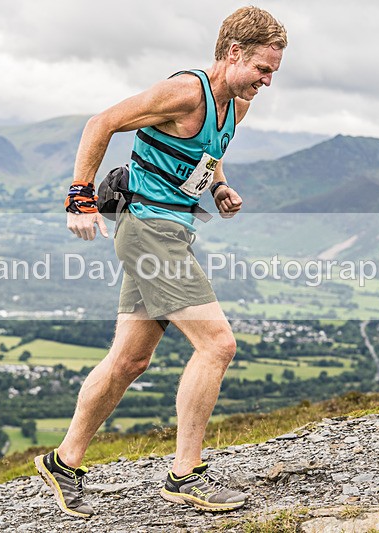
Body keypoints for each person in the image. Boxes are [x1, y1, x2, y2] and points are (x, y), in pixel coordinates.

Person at [35, 6, 286, 518]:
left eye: (274, 72)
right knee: (218, 344)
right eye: (262, 68)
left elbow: (206, 156)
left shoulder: (234, 105)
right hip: (148, 232)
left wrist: (218, 186)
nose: (267, 80)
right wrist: (79, 199)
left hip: (174, 231)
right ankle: (186, 475)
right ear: (233, 53)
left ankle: (64, 461)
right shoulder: (186, 92)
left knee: (130, 360)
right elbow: (101, 122)